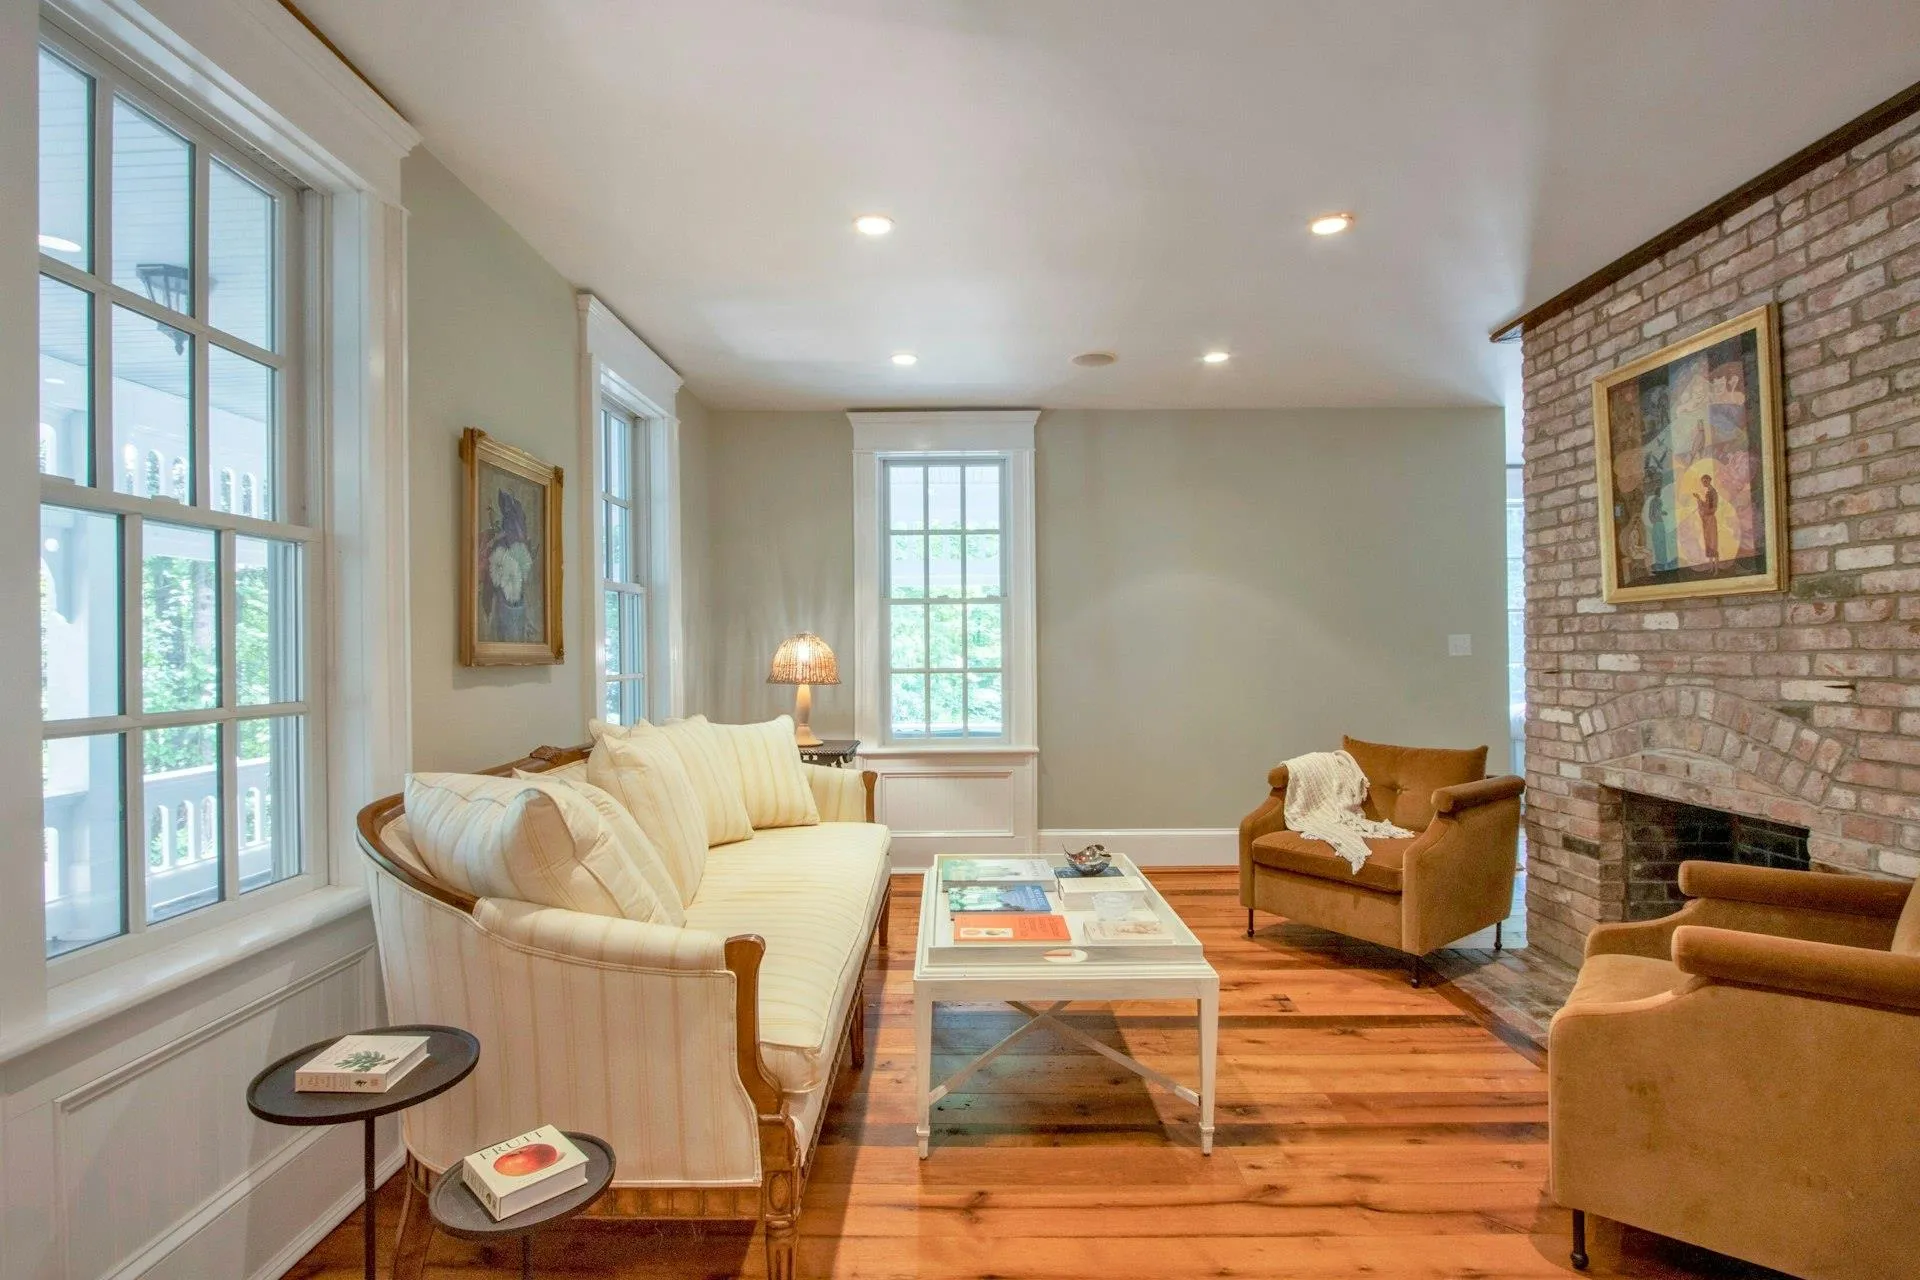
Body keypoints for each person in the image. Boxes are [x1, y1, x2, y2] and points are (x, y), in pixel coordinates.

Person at [1696, 474, 1721, 562]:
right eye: (1703, 482)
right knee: (1708, 540)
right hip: (1706, 520)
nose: (1704, 483)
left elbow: (1714, 508)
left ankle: (1716, 566)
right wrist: (1699, 499)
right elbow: (1706, 505)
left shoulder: (1713, 492)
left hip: (1710, 519)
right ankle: (1711, 565)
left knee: (1712, 541)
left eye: (1705, 481)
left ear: (1709, 481)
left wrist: (1704, 512)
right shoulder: (1709, 492)